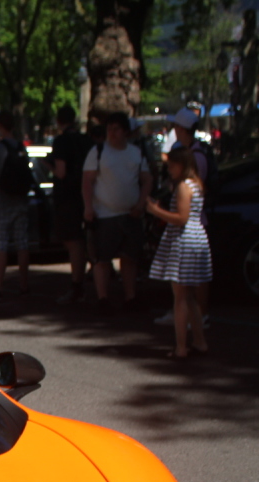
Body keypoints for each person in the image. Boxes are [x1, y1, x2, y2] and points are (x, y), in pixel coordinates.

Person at [83, 111, 152, 313]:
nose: (112, 133)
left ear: (125, 132)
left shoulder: (135, 152)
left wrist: (141, 203)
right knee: (102, 258)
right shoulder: (98, 151)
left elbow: (147, 179)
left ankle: (130, 296)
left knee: (130, 258)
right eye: (109, 129)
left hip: (130, 213)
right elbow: (87, 181)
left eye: (116, 129)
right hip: (104, 214)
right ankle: (102, 297)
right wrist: (88, 207)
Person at [145, 148, 211, 359]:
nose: (170, 170)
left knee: (180, 297)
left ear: (182, 164)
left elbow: (181, 218)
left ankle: (181, 346)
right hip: (195, 238)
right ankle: (199, 341)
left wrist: (156, 211)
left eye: (172, 165)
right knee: (189, 296)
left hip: (184, 239)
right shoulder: (196, 184)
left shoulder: (184, 186)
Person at [154, 107, 214, 329]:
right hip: (193, 228)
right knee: (189, 283)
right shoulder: (197, 153)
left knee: (187, 284)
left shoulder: (193, 165)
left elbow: (182, 214)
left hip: (188, 230)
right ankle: (195, 321)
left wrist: (156, 210)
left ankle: (195, 318)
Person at [0, 112, 33, 297]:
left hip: (1, 201)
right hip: (20, 201)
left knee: (1, 245)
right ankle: (24, 284)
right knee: (22, 244)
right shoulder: (21, 146)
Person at [50, 106, 90, 304]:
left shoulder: (62, 142)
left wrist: (47, 165)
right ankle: (82, 281)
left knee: (73, 241)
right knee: (81, 240)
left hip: (67, 197)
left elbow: (61, 172)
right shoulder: (85, 140)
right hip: (85, 193)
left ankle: (77, 284)